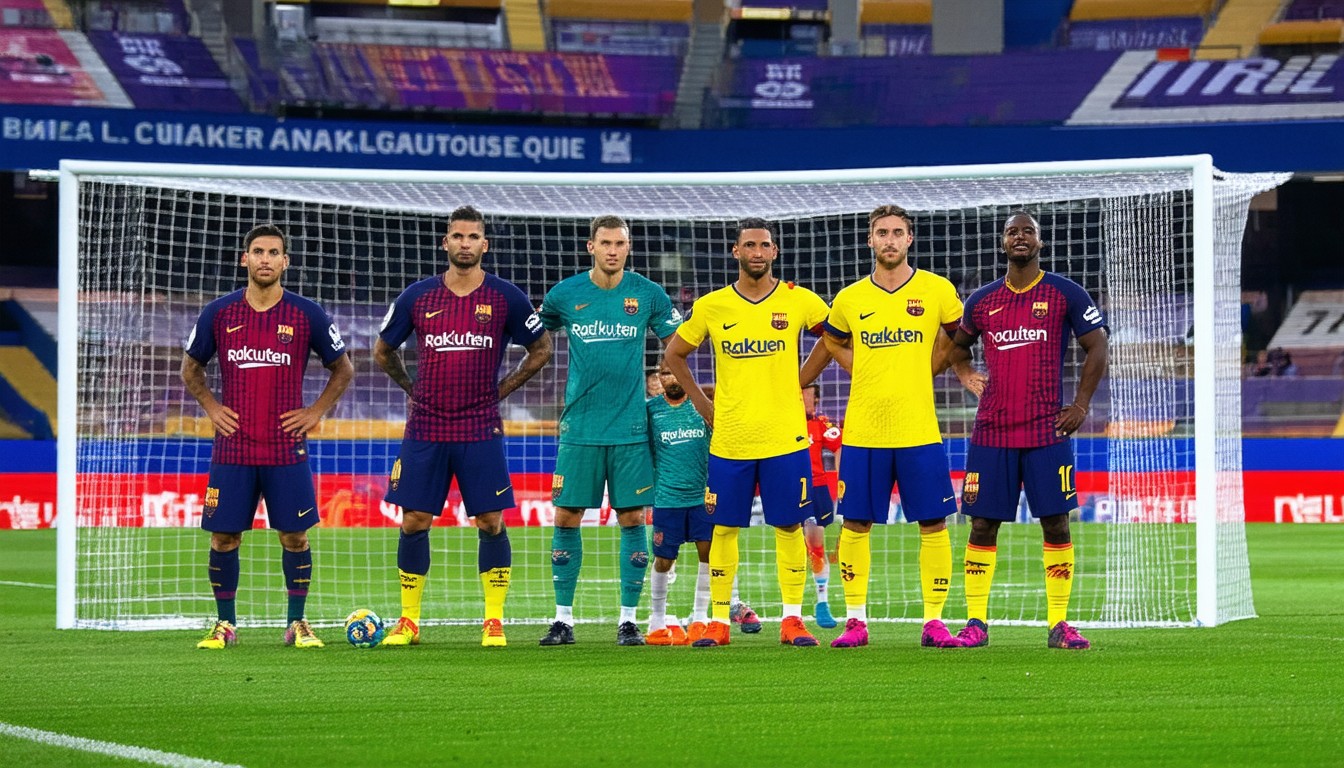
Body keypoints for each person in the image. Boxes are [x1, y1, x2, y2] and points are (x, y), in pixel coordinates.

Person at [373, 205, 552, 648]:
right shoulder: (417, 297)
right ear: (446, 242)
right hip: (427, 426)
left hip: (479, 426)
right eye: (458, 236)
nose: (465, 243)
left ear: (484, 245)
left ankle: (493, 620)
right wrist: (411, 388)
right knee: (414, 519)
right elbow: (382, 351)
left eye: (473, 237)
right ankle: (409, 621)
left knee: (490, 520)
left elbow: (542, 348)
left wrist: (500, 390)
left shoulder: (506, 297)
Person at [182, 224, 354, 650]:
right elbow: (190, 368)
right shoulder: (219, 313)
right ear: (245, 259)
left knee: (295, 537)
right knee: (224, 538)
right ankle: (225, 624)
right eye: (257, 251)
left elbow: (343, 368)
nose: (265, 259)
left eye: (273, 252)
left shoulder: (306, 314)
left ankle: (297, 623)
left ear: (285, 262)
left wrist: (314, 412)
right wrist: (212, 408)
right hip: (234, 448)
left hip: (285, 448)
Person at [664, 217, 833, 648]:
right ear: (736, 251)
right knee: (723, 529)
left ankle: (792, 620)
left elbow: (835, 337)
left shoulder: (798, 299)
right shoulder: (713, 305)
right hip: (731, 438)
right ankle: (719, 621)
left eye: (764, 245)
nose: (758, 252)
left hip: (785, 437)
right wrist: (703, 405)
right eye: (750, 245)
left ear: (774, 251)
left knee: (790, 526)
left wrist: (800, 379)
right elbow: (675, 353)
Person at [946, 210, 1109, 650]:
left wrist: (1080, 404)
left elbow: (1097, 345)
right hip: (992, 431)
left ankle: (1059, 624)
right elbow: (957, 348)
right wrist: (966, 373)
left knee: (1056, 523)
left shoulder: (1064, 293)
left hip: (1046, 431)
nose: (1020, 237)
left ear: (1040, 241)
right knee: (982, 525)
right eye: (1012, 231)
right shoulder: (981, 301)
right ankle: (975, 623)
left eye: (1028, 231)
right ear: (1003, 242)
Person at [821, 205, 968, 649]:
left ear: (910, 239)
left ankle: (934, 622)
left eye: (897, 232)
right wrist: (860, 368)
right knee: (855, 524)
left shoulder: (937, 289)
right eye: (882, 232)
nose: (889, 240)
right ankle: (855, 621)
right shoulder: (850, 298)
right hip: (864, 431)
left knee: (934, 524)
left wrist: (933, 367)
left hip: (918, 429)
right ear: (870, 240)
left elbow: (959, 336)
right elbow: (832, 339)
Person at [537, 215, 681, 647]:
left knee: (632, 517)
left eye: (620, 243)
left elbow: (679, 343)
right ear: (591, 247)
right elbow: (535, 334)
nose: (613, 250)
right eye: (605, 243)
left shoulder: (647, 293)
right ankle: (563, 619)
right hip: (579, 426)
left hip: (630, 427)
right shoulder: (565, 294)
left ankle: (628, 620)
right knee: (566, 516)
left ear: (628, 247)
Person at [644, 365, 713, 645]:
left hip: (702, 497)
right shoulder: (651, 411)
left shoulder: (702, 405)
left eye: (675, 372)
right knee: (663, 559)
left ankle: (700, 618)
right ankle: (657, 620)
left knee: (708, 554)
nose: (670, 378)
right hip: (667, 498)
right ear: (659, 379)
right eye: (664, 373)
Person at [801, 383, 841, 629]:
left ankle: (822, 602)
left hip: (816, 489)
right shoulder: (783, 423)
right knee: (790, 544)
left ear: (815, 400)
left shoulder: (820, 424)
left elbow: (840, 446)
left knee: (816, 546)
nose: (801, 398)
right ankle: (791, 608)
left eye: (806, 394)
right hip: (787, 487)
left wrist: (843, 478)